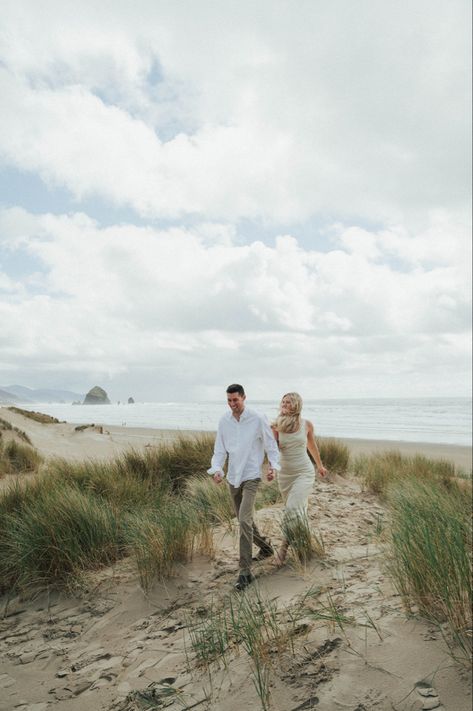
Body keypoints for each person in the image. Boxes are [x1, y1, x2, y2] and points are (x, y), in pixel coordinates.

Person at [208, 384, 281, 591]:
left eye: (235, 400)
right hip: (233, 477)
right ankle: (266, 547)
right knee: (242, 519)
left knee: (245, 522)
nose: (232, 404)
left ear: (244, 398)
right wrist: (217, 470)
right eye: (229, 401)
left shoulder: (257, 418)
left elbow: (270, 445)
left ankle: (245, 572)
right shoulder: (224, 421)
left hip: (251, 475)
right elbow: (219, 449)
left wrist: (273, 467)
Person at [271, 392, 328, 566]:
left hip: (304, 472)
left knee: (292, 510)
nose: (284, 404)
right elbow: (272, 451)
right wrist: (271, 469)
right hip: (285, 475)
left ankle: (283, 549)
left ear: (296, 405)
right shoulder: (275, 426)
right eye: (283, 402)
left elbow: (312, 446)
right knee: (299, 512)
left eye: (288, 402)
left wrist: (319, 465)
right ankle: (305, 545)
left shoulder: (306, 425)